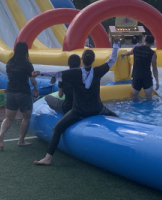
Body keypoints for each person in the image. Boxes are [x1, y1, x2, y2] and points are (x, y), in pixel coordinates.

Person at [33, 36, 121, 166]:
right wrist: (116, 45)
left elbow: (56, 74)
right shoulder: (98, 71)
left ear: (82, 60)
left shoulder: (74, 73)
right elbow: (112, 60)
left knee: (57, 128)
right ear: (93, 60)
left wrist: (40, 72)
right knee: (117, 118)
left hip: (79, 112)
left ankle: (48, 158)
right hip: (97, 109)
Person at [0, 41, 39, 150]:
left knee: (8, 118)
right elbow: (32, 77)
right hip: (23, 93)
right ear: (25, 51)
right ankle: (21, 140)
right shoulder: (27, 64)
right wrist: (35, 87)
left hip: (10, 91)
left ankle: (1, 134)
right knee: (26, 118)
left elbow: (10, 75)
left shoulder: (10, 62)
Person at [122, 35, 159, 100]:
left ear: (144, 41)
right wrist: (157, 81)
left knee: (134, 97)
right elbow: (154, 68)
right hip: (146, 77)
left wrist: (123, 54)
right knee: (149, 98)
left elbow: (128, 53)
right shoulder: (152, 53)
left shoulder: (136, 49)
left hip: (137, 75)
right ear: (153, 43)